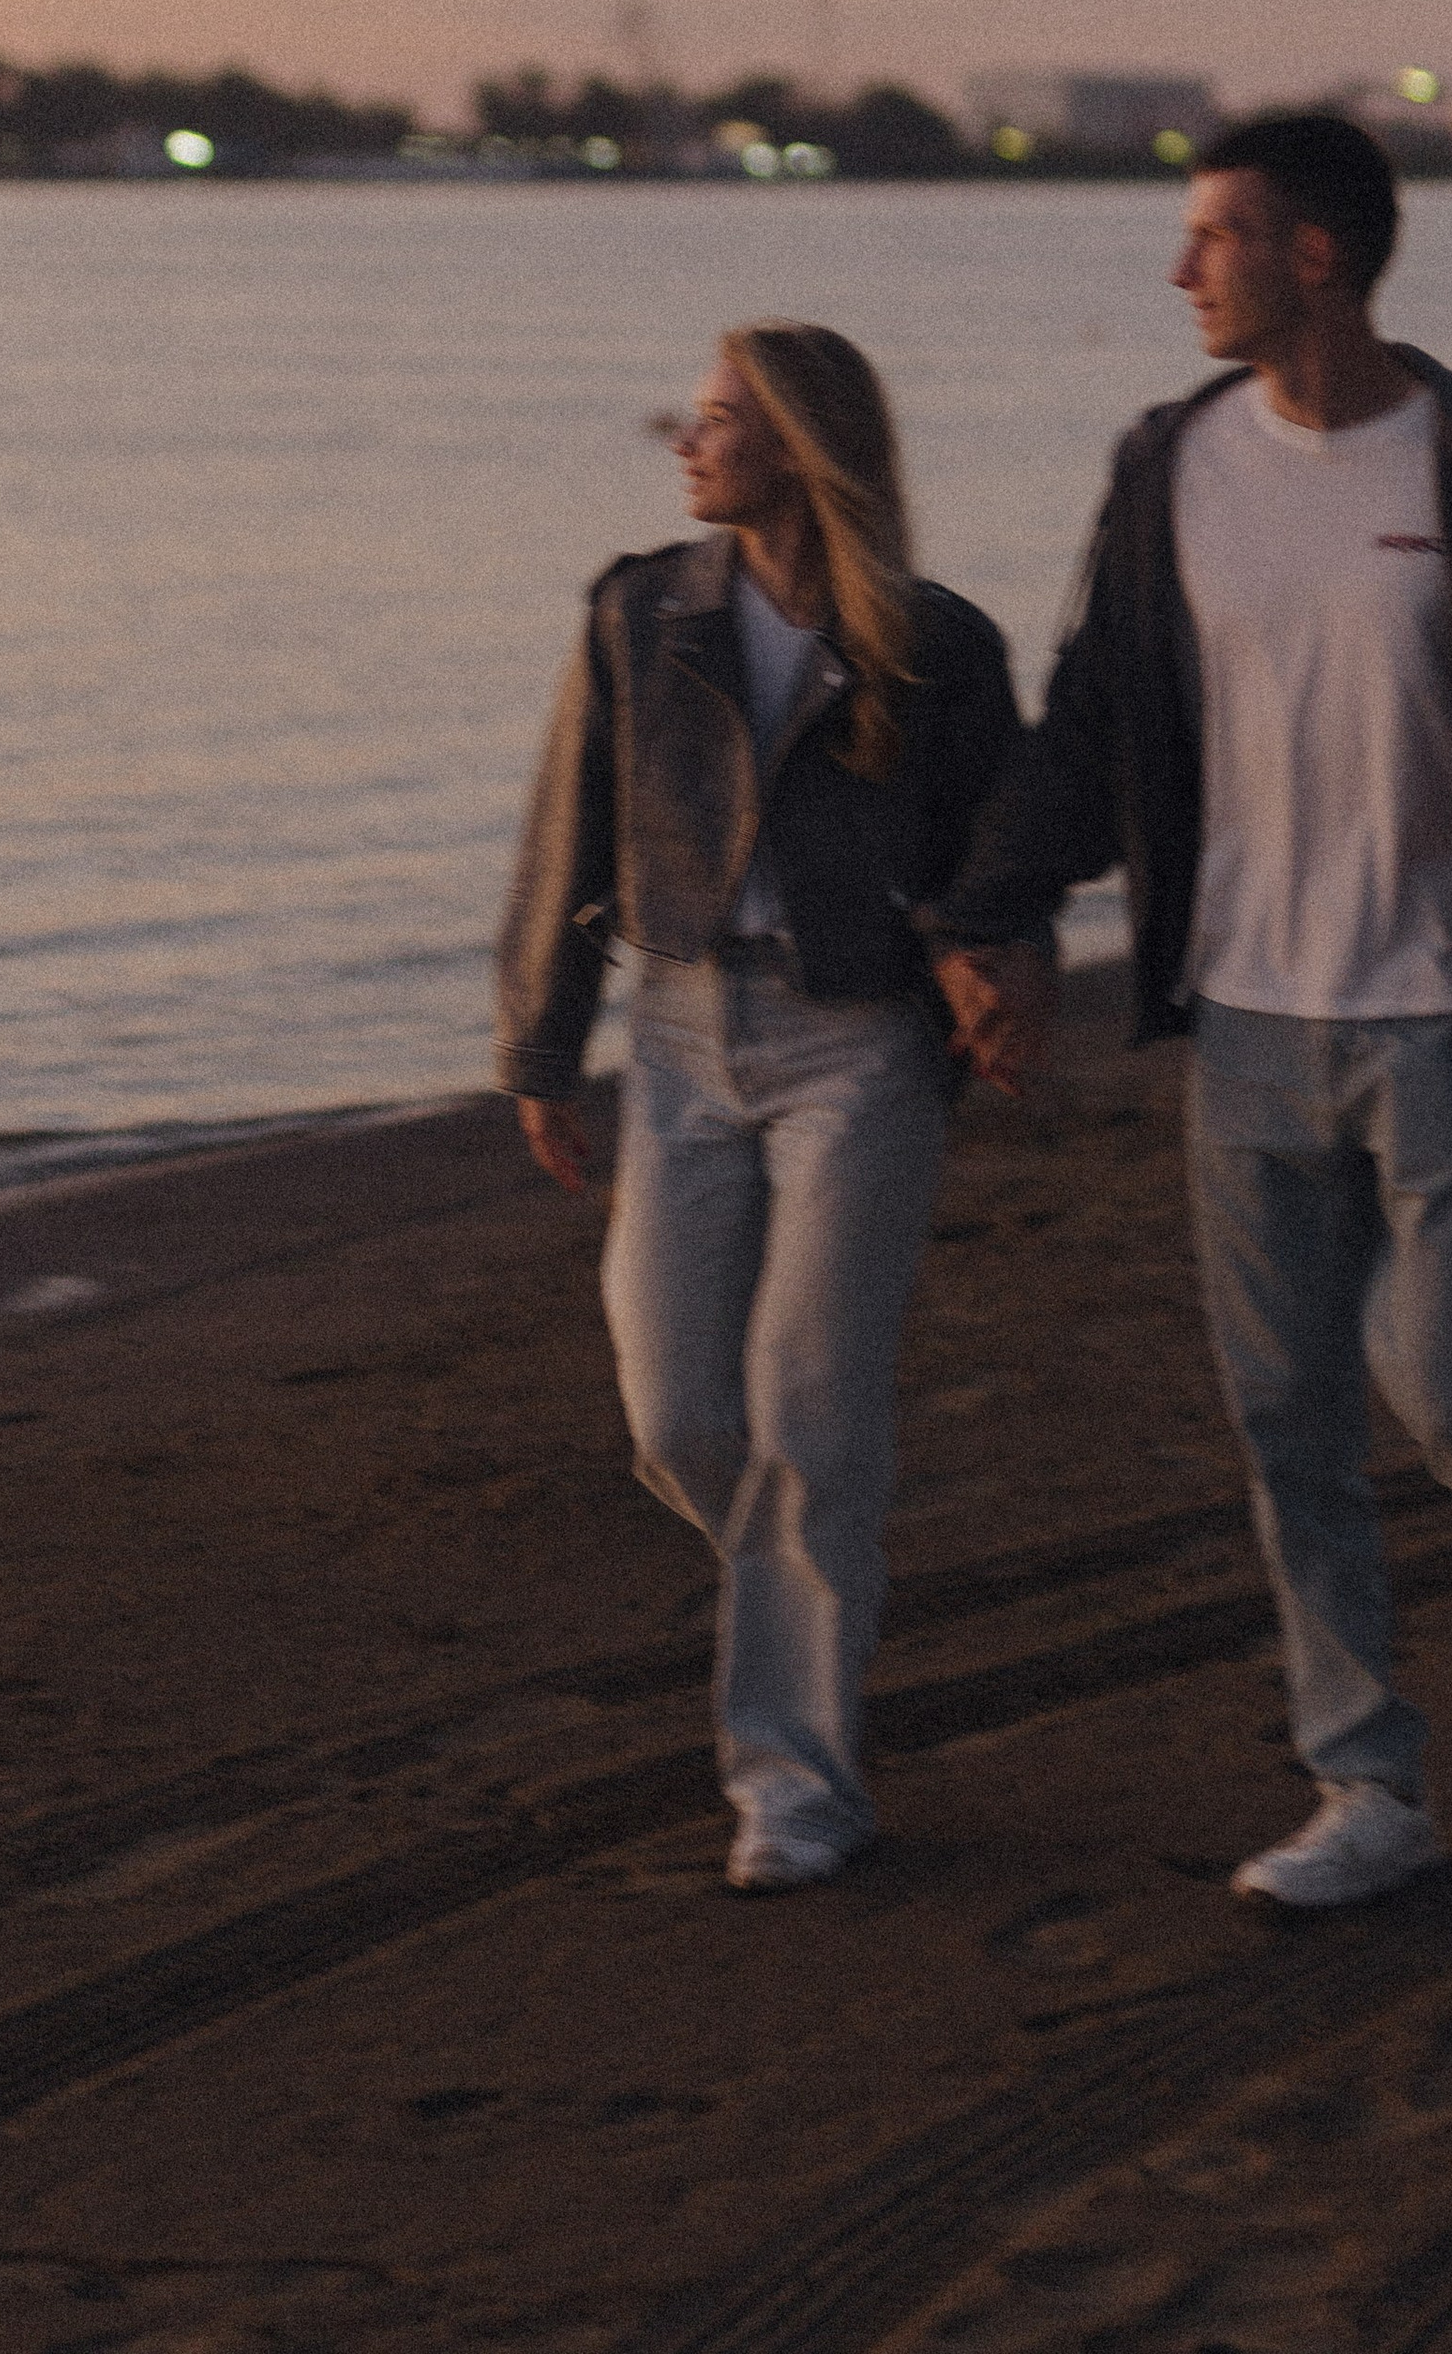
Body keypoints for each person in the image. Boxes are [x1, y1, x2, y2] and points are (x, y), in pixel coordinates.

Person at [933, 112, 1452, 1911]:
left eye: (1213, 239)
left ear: (1316, 253)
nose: (1180, 274)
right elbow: (1097, 716)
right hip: (1244, 1014)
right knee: (1288, 1419)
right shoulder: (1170, 463)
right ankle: (1366, 1783)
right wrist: (995, 914)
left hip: (1447, 1005)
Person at [497, 320, 1026, 1892]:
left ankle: (795, 1790)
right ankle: (818, 1573)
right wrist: (541, 1046)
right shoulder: (640, 613)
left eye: (720, 418)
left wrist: (992, 980)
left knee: (806, 1415)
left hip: (859, 1051)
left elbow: (1002, 855)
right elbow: (566, 835)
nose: (690, 439)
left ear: (801, 445)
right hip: (673, 1042)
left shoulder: (938, 644)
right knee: (680, 1416)